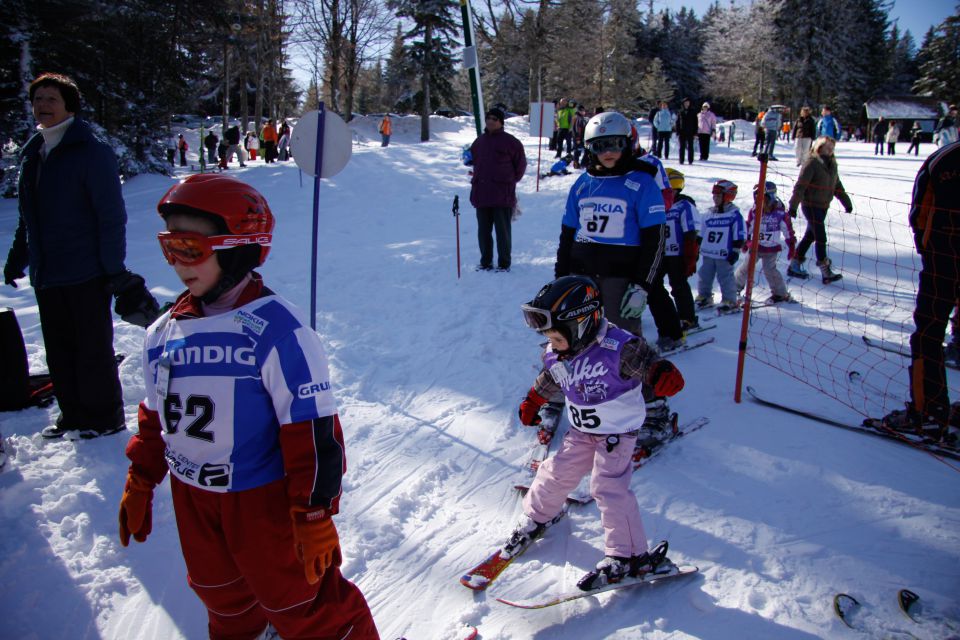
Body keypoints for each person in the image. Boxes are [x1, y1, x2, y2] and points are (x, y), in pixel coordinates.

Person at [119, 174, 380, 640]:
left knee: (301, 602)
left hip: (261, 504)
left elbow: (314, 432)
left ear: (237, 247)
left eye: (189, 248)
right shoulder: (163, 332)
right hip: (193, 499)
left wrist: (315, 512)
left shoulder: (278, 329)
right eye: (168, 247)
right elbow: (154, 417)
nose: (177, 264)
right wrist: (141, 478)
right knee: (220, 595)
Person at [2, 72, 158, 440]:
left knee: (91, 348)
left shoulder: (91, 152)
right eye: (38, 99)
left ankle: (104, 417)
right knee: (59, 350)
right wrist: (16, 259)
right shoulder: (34, 154)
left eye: (51, 99)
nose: (43, 106)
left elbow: (110, 216)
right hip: (47, 271)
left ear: (69, 106)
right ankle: (72, 415)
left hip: (86, 269)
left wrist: (113, 268)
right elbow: (28, 218)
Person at [512, 275, 685, 590]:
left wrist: (660, 373)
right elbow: (552, 377)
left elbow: (647, 363)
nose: (553, 344)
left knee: (608, 488)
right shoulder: (559, 353)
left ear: (579, 324)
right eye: (549, 338)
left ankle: (630, 555)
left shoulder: (618, 348)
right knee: (556, 472)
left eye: (557, 337)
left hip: (616, 433)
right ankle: (538, 515)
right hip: (582, 430)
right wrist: (534, 399)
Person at [554, 111, 683, 352]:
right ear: (590, 148)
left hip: (621, 280)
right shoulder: (582, 184)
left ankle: (636, 387)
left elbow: (654, 241)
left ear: (628, 143)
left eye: (615, 144)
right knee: (580, 337)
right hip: (584, 277)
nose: (607, 152)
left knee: (622, 344)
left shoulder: (643, 183)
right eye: (599, 146)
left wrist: (642, 286)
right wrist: (561, 277)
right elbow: (567, 235)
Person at [876, 142, 960, 441]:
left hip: (944, 262)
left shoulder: (944, 160)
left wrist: (931, 253)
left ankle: (928, 413)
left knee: (928, 334)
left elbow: (919, 213)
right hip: (943, 258)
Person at [786, 136, 853, 284]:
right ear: (819, 147)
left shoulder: (832, 165)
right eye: (827, 147)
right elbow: (801, 186)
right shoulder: (812, 163)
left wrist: (846, 202)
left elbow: (837, 185)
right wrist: (793, 206)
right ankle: (825, 270)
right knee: (821, 237)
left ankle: (794, 264)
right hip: (810, 205)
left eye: (832, 148)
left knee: (810, 236)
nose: (830, 150)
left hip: (823, 206)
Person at [469, 107, 526, 272]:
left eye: (495, 119)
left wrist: (509, 181)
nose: (491, 121)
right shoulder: (479, 142)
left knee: (503, 232)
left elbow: (520, 165)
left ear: (501, 122)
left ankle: (504, 263)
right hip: (482, 193)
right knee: (483, 232)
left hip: (502, 194)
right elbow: (475, 163)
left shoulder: (511, 142)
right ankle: (485, 261)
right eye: (488, 118)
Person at [735, 181, 796, 303]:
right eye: (757, 199)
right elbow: (749, 227)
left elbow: (788, 231)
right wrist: (745, 242)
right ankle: (733, 288)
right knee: (746, 266)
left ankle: (780, 293)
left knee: (770, 270)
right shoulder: (755, 212)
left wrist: (791, 246)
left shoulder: (780, 214)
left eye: (763, 199)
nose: (761, 203)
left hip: (771, 248)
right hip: (756, 247)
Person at [696, 180, 746, 312]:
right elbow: (702, 233)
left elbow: (739, 235)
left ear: (727, 196)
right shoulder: (708, 214)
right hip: (708, 252)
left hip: (724, 254)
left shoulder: (734, 215)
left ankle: (729, 299)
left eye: (718, 196)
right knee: (704, 275)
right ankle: (704, 297)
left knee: (725, 277)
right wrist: (697, 246)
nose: (715, 199)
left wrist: (735, 251)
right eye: (714, 196)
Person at [663, 169, 701, 331]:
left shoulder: (684, 206)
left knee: (679, 286)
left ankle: (688, 318)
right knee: (653, 287)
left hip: (677, 255)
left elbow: (691, 232)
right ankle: (666, 316)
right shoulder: (661, 205)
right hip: (661, 253)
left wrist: (690, 255)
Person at [676, 97, 698, 165]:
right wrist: (678, 131)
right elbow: (677, 122)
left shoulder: (693, 111)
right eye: (685, 102)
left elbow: (696, 122)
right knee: (681, 147)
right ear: (683, 103)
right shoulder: (680, 112)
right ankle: (681, 160)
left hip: (690, 131)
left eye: (688, 102)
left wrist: (695, 132)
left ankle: (690, 160)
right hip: (682, 131)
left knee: (690, 147)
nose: (687, 104)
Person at [572, 104, 588, 168]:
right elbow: (577, 128)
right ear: (579, 111)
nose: (583, 112)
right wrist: (578, 138)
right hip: (578, 137)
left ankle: (579, 163)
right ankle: (576, 164)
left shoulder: (580, 117)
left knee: (579, 150)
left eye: (584, 110)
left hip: (580, 137)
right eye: (582, 110)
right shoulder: (578, 117)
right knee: (577, 150)